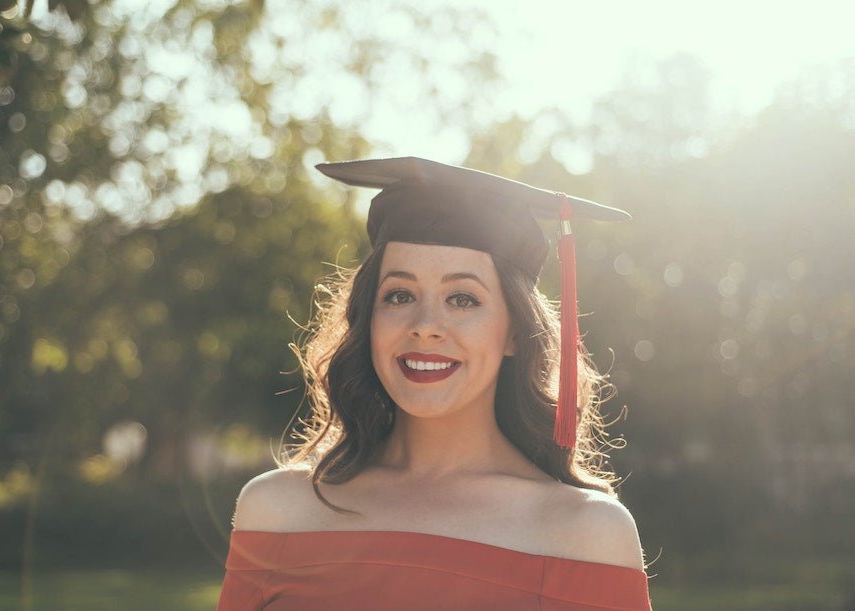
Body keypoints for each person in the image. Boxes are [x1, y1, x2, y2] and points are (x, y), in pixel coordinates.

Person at [216, 157, 651, 610]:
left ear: (515, 332)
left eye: (462, 299)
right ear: (369, 319)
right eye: (399, 295)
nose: (425, 326)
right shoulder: (278, 511)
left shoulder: (583, 534)